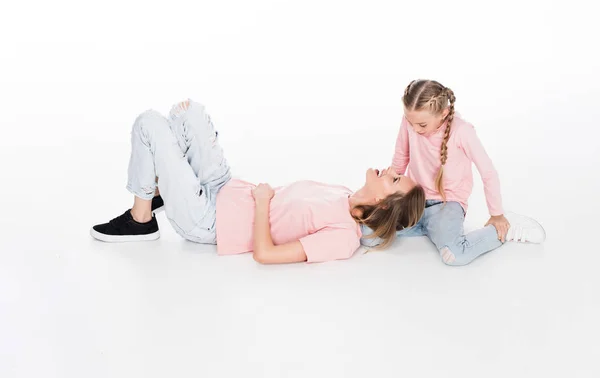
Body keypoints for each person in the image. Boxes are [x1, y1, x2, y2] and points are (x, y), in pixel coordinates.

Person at [90, 99, 426, 264]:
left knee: (149, 123)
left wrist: (264, 201)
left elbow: (265, 254)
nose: (389, 169)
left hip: (209, 220)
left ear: (385, 203)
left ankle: (141, 219)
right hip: (224, 186)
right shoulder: (342, 193)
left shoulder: (343, 238)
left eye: (395, 179)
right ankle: (164, 187)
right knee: (189, 112)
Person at [361, 79, 546, 266]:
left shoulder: (462, 131)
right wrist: (389, 196)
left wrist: (496, 214)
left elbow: (488, 172)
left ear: (444, 113)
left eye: (422, 125)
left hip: (447, 204)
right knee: (367, 236)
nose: (415, 129)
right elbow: (401, 156)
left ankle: (506, 228)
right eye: (411, 122)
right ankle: (429, 229)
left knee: (455, 255)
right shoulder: (412, 121)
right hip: (414, 202)